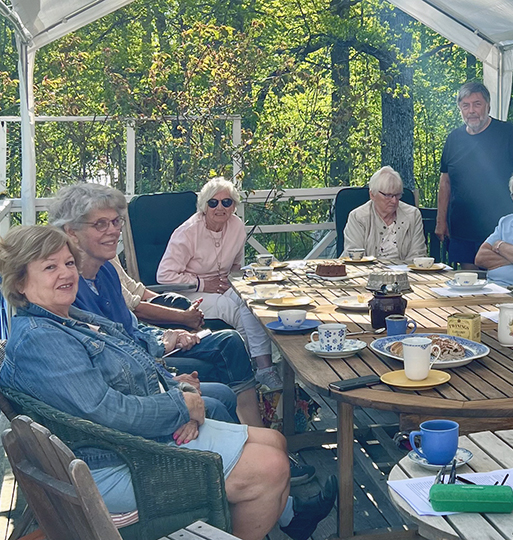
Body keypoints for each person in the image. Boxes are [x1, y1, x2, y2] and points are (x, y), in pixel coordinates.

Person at [0, 226, 335, 540]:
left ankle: (271, 520)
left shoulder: (68, 319)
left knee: (275, 441)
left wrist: (182, 392)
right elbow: (108, 412)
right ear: (19, 283)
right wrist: (181, 406)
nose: (67, 273)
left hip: (131, 442)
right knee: (270, 469)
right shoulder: (41, 341)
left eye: (69, 263)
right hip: (116, 463)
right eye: (49, 267)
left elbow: (132, 364)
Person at [48, 183, 262, 426]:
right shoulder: (65, 289)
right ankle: (244, 445)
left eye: (116, 222)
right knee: (218, 397)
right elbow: (107, 366)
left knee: (230, 342)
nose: (114, 231)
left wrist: (168, 335)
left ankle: (255, 429)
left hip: (142, 352)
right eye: (100, 224)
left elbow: (130, 326)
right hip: (130, 383)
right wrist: (167, 378)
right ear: (72, 232)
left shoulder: (106, 269)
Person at [156, 178, 280, 389]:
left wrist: (231, 283)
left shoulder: (237, 226)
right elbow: (164, 275)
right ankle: (248, 370)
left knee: (253, 302)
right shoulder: (187, 232)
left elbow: (235, 266)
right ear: (204, 206)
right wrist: (203, 283)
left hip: (223, 286)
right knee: (230, 308)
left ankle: (265, 367)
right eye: (213, 203)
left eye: (227, 202)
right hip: (189, 292)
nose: (220, 207)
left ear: (234, 205)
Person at [435, 82, 513, 267]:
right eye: (466, 105)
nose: (471, 110)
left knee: (499, 282)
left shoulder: (507, 132)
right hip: (463, 229)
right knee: (468, 284)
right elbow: (445, 182)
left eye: (477, 104)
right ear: (460, 109)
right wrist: (441, 221)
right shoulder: (453, 138)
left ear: (488, 106)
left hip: (502, 229)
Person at [342, 166, 427, 262]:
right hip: (367, 274)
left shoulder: (413, 215)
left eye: (397, 195)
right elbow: (355, 258)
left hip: (407, 274)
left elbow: (418, 256)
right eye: (388, 195)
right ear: (372, 195)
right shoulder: (358, 217)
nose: (394, 201)